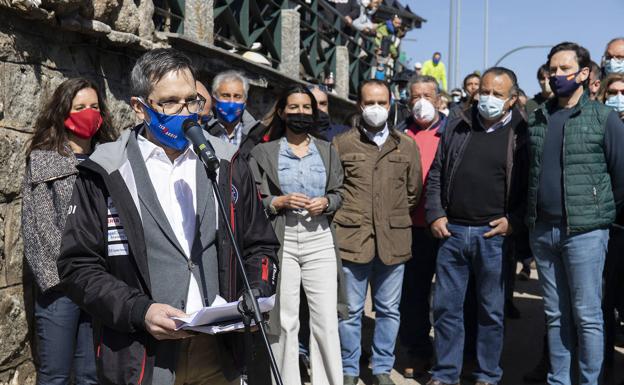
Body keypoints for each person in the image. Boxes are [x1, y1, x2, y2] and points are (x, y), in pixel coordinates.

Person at [56, 48, 280, 385]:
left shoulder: (226, 163)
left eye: (192, 100)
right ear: (139, 108)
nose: (185, 112)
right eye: (169, 102)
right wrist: (139, 310)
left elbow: (260, 244)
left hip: (218, 351)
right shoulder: (106, 171)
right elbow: (78, 266)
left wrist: (256, 291)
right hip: (141, 355)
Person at [526, 42, 624, 385]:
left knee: (588, 316)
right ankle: (559, 380)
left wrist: (598, 213)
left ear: (584, 74)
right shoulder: (537, 117)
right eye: (552, 69)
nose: (557, 76)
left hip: (585, 233)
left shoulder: (604, 118)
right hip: (543, 231)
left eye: (564, 69)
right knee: (555, 315)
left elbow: (620, 176)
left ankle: (588, 380)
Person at [425, 67, 528, 385]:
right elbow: (437, 173)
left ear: (511, 100)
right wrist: (435, 214)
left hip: (493, 237)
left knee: (491, 312)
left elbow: (532, 186)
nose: (488, 99)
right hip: (452, 232)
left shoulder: (523, 134)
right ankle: (445, 374)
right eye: (484, 91)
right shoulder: (457, 125)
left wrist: (514, 221)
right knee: (446, 309)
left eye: (498, 94)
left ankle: (487, 375)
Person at [22, 78, 116, 385]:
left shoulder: (111, 160)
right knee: (55, 375)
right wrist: (59, 277)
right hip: (61, 286)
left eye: (94, 106)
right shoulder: (43, 160)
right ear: (64, 113)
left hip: (101, 283)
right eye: (79, 107)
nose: (89, 113)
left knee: (91, 375)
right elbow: (36, 226)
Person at [250, 85, 346, 385]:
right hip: (283, 238)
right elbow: (252, 200)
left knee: (326, 321)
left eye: (307, 108)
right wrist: (278, 201)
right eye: (294, 107)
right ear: (282, 111)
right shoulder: (263, 151)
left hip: (319, 238)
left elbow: (340, 192)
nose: (301, 113)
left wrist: (327, 202)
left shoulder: (328, 150)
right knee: (285, 320)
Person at [334, 79, 422, 385]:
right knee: (350, 311)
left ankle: (382, 367)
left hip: (393, 239)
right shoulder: (342, 144)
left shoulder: (406, 145)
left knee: (388, 310)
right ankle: (349, 369)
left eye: (382, 103)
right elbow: (335, 188)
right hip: (352, 239)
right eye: (369, 102)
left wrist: (390, 215)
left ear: (391, 105)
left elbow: (414, 192)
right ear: (359, 105)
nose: (376, 109)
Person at [395, 75, 446, 379]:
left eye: (427, 94)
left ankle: (449, 354)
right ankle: (417, 350)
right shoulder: (400, 133)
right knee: (413, 294)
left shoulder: (452, 131)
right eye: (415, 96)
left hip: (445, 226)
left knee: (448, 297)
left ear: (439, 99)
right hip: (410, 227)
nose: (421, 101)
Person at [205, 70, 266, 157]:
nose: (231, 103)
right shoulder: (203, 130)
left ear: (245, 102)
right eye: (226, 95)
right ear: (214, 100)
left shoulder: (258, 135)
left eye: (237, 96)